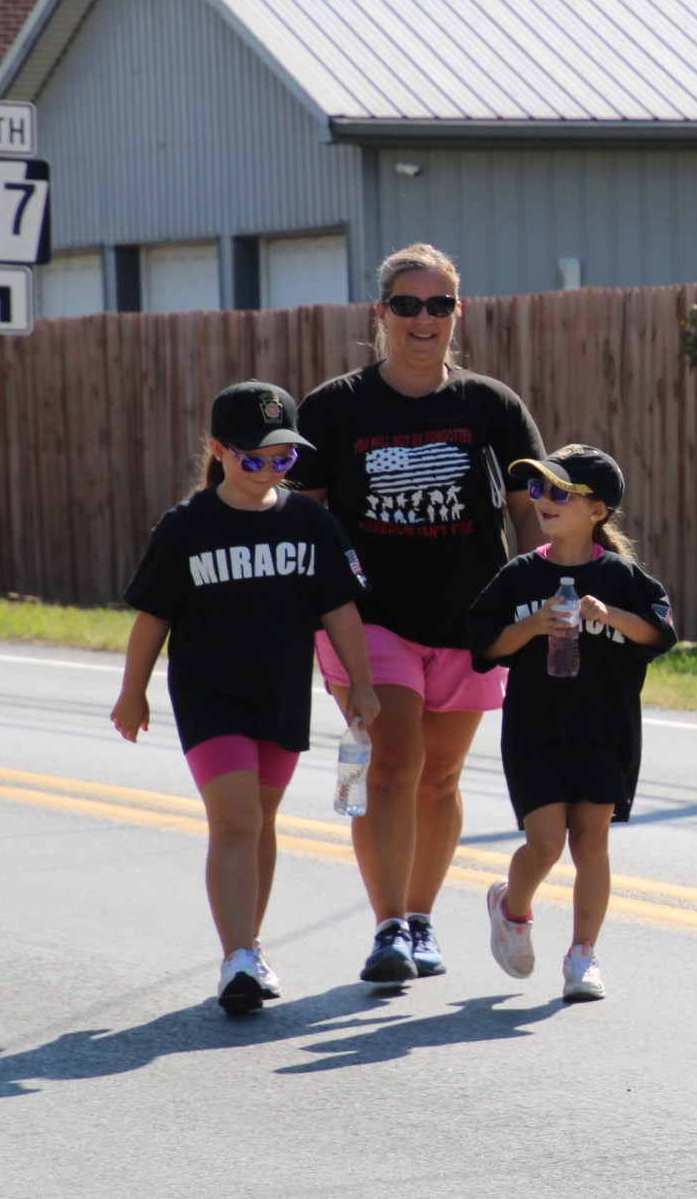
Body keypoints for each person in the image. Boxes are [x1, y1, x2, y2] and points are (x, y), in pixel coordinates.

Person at [290, 244, 549, 983]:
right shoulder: (335, 407)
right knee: (394, 761)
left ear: (456, 314)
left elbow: (531, 512)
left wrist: (538, 594)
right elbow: (304, 519)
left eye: (439, 305)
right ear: (382, 314)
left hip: (468, 618)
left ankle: (424, 916)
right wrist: (305, 610)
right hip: (367, 617)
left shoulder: (490, 406)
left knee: (440, 776)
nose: (423, 318)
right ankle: (388, 928)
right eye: (407, 305)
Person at [111, 380, 381, 1014]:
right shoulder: (186, 527)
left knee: (260, 820)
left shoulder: (310, 520)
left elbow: (340, 610)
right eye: (253, 458)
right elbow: (152, 618)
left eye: (282, 459)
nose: (268, 471)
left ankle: (250, 947)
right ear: (219, 451)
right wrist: (133, 693)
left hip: (281, 694)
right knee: (234, 818)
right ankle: (236, 958)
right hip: (210, 696)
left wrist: (360, 683)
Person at [466, 445, 676, 1002]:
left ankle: (583, 956)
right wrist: (535, 625)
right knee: (544, 843)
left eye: (559, 492)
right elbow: (485, 644)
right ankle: (511, 908)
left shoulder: (623, 577)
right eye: (537, 489)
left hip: (605, 731)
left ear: (597, 511)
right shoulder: (519, 577)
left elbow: (660, 634)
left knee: (591, 841)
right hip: (535, 731)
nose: (544, 501)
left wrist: (612, 617)